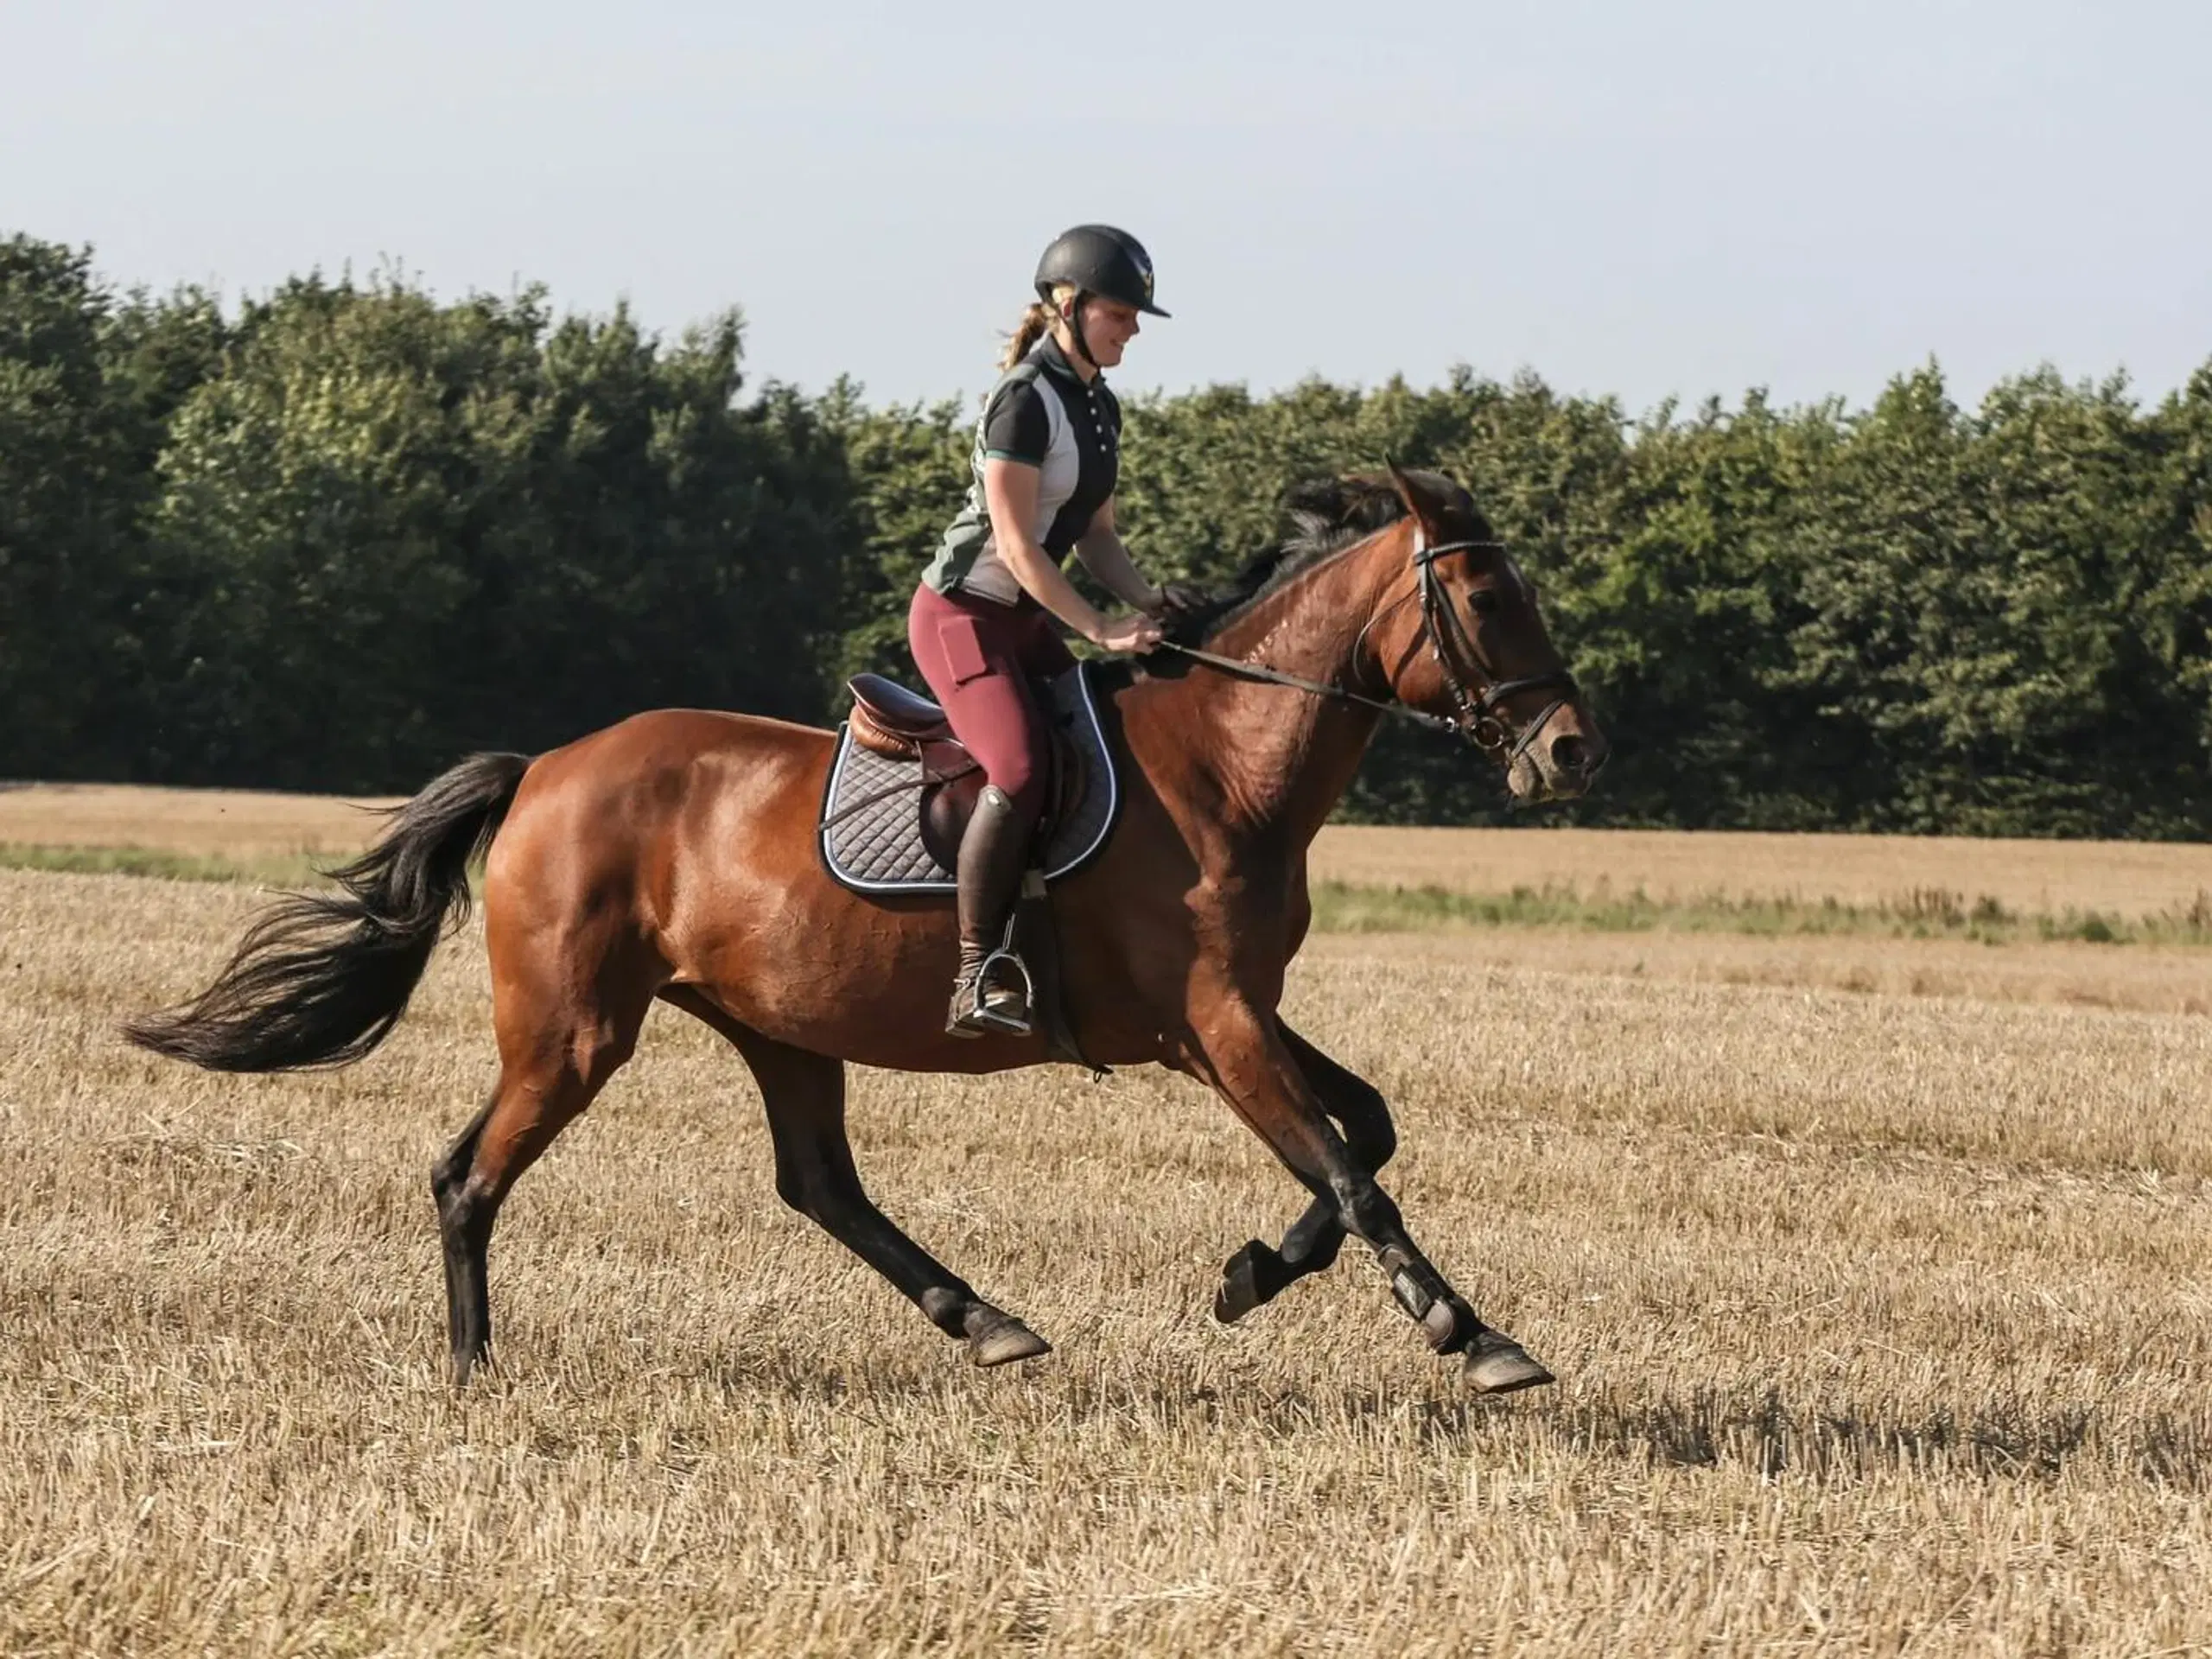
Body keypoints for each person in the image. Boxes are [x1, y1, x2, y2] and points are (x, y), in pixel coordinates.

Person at [910, 225, 1200, 1039]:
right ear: (1070, 307)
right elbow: (1015, 546)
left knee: (1105, 742)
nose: (1134, 327)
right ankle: (975, 971)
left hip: (1026, 617)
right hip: (963, 617)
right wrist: (1101, 629)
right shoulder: (1024, 401)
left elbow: (1095, 535)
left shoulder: (1099, 405)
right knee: (1022, 765)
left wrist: (1149, 601)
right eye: (1123, 311)